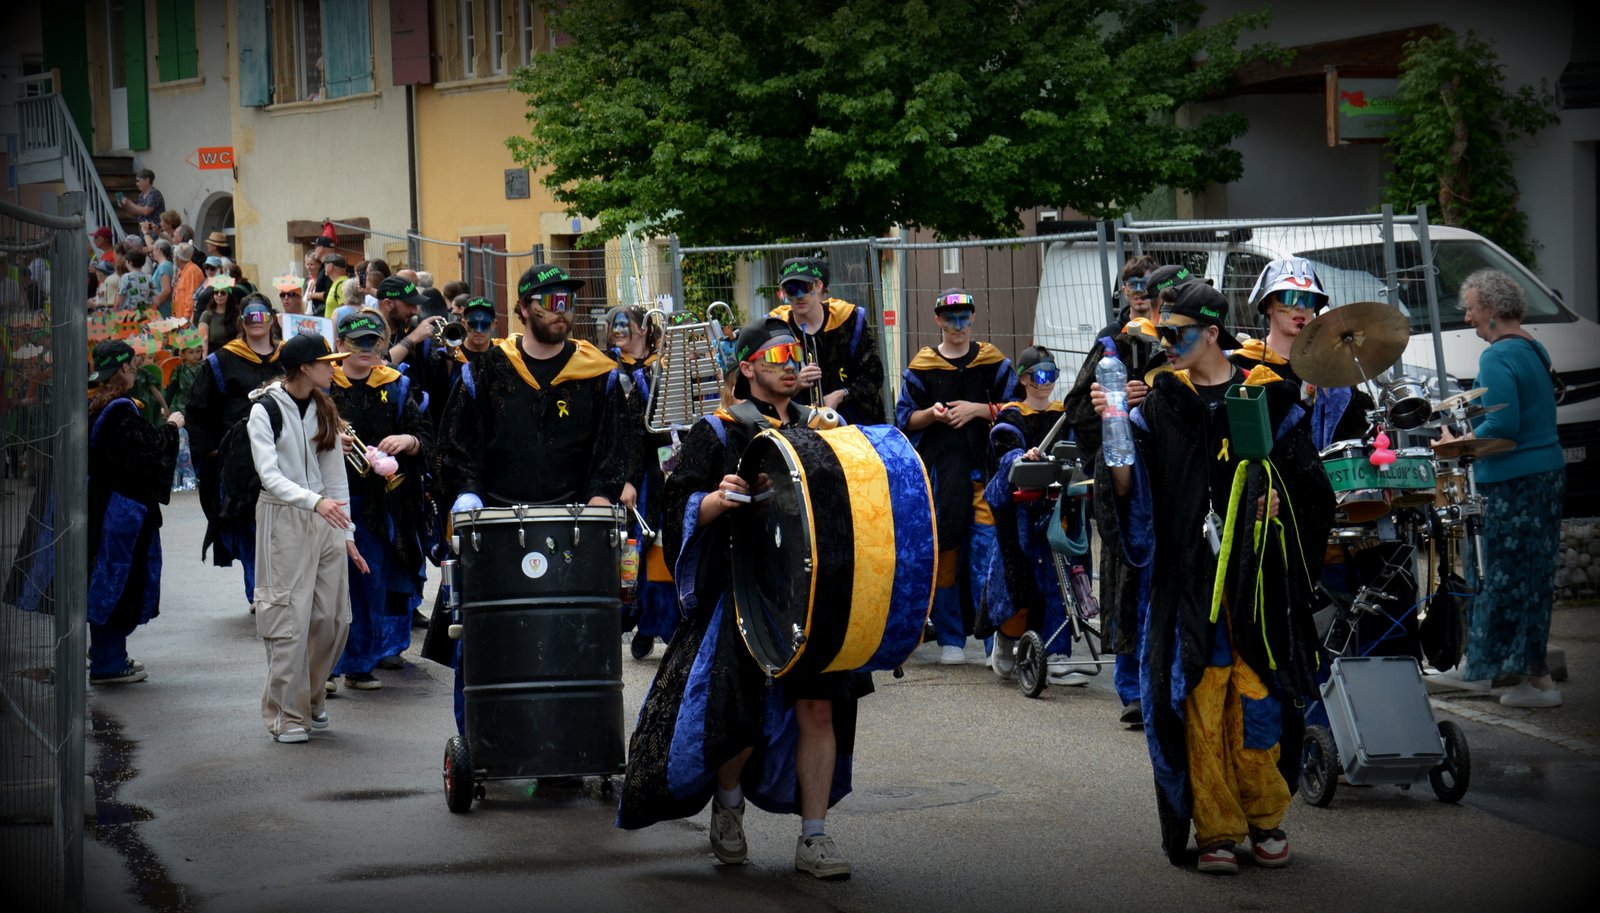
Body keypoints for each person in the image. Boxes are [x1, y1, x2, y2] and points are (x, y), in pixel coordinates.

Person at [1093, 281, 1333, 874]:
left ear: (1212, 334)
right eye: (1162, 335)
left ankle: (1266, 817)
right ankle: (1217, 829)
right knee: (1199, 704)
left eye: (1177, 335)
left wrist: (1278, 500)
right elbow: (1130, 497)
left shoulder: (1268, 397)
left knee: (1260, 701)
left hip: (1256, 583)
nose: (1166, 345)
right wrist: (1113, 431)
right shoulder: (1158, 406)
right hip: (1188, 585)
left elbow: (1309, 487)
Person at [618, 318, 867, 880]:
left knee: (819, 709)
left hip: (812, 595)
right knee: (739, 715)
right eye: (776, 355)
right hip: (742, 594)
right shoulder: (717, 431)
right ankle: (728, 805)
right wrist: (715, 499)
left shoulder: (822, 429)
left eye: (794, 353)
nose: (789, 363)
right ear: (748, 366)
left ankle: (814, 837)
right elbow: (676, 509)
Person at [435, 263, 631, 733]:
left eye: (568, 300)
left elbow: (616, 448)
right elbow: (456, 444)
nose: (561, 309)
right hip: (497, 523)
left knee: (570, 635)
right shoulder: (484, 371)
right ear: (523, 309)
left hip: (572, 523)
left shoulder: (599, 375)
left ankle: (568, 738)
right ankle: (483, 739)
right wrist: (467, 495)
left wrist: (601, 497)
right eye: (549, 300)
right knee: (487, 635)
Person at [1433, 269, 1567, 707]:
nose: (1467, 317)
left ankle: (1504, 674)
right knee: (1531, 576)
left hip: (1511, 484)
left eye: (1471, 308)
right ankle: (1515, 672)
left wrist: (1455, 445)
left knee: (1496, 575)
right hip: (1544, 476)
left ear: (1490, 309)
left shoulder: (1496, 356)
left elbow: (1503, 427)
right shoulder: (1532, 346)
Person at [248, 332, 364, 743]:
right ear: (304, 367)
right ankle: (286, 714)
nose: (334, 368)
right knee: (288, 619)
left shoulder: (323, 407)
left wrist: (347, 533)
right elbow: (269, 475)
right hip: (284, 517)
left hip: (326, 516)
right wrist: (314, 502)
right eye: (326, 363)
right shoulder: (264, 410)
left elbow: (335, 475)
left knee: (332, 619)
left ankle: (312, 698)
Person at [894, 289, 1015, 664]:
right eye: (950, 318)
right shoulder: (923, 365)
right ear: (938, 321)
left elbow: (1016, 407)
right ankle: (950, 637)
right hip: (943, 471)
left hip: (985, 472)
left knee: (986, 553)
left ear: (973, 317)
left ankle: (991, 639)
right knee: (946, 551)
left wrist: (978, 410)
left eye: (964, 317)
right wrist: (933, 414)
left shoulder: (993, 361)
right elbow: (905, 418)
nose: (957, 325)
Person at [327, 311, 432, 690]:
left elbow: (425, 436)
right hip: (329, 501)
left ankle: (359, 663)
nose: (368, 349)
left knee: (370, 583)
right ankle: (324, 668)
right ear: (340, 345)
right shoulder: (324, 384)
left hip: (381, 504)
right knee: (328, 587)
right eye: (358, 343)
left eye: (374, 341)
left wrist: (409, 441)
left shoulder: (398, 386)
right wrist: (327, 443)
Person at [980, 345, 1092, 685]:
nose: (1046, 383)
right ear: (1024, 379)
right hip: (1021, 517)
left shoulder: (1065, 415)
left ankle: (1057, 655)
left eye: (1052, 375)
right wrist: (1020, 457)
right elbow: (1003, 456)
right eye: (1039, 375)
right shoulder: (1010, 417)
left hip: (1059, 511)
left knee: (1060, 580)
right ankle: (1006, 640)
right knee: (1016, 583)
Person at [87, 340, 183, 685]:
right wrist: (172, 427)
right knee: (119, 584)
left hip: (100, 505)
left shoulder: (92, 403)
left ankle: (108, 653)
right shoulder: (119, 411)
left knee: (105, 581)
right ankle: (108, 662)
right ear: (125, 368)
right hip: (121, 513)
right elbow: (148, 454)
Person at [187, 298, 284, 607]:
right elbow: (198, 408)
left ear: (272, 319)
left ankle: (280, 588)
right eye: (249, 316)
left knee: (283, 526)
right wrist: (211, 449)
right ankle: (258, 592)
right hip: (240, 460)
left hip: (285, 453)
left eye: (262, 315)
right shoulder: (222, 361)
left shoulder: (288, 357)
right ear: (241, 320)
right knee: (248, 525)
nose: (256, 321)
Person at [1235, 257, 1371, 448]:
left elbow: (1357, 430)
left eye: (1308, 299)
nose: (1300, 307)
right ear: (1268, 306)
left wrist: (1332, 392)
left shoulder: (1326, 364)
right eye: (1288, 297)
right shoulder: (1244, 361)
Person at [604, 304, 678, 658]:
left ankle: (656, 624)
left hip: (657, 472)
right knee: (629, 551)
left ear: (645, 329)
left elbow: (665, 429)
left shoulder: (662, 368)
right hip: (618, 472)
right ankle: (634, 619)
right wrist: (624, 479)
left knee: (658, 547)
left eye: (626, 324)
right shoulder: (606, 368)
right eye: (614, 324)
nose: (619, 330)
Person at [767, 256, 886, 425]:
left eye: (805, 287)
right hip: (800, 427)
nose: (799, 296)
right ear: (783, 292)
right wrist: (796, 383)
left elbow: (874, 375)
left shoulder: (849, 321)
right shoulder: (776, 329)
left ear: (818, 285)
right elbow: (765, 386)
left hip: (854, 424)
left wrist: (841, 394)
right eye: (791, 289)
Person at [164, 330, 206, 491]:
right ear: (182, 354)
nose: (195, 355)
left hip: (200, 409)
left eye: (198, 351)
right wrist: (165, 406)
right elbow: (172, 388)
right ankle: (182, 474)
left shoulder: (203, 368)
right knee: (183, 441)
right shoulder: (179, 370)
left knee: (198, 440)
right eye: (191, 352)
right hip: (182, 408)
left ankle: (199, 472)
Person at [1093, 255, 1160, 343]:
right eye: (1132, 285)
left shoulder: (1168, 331)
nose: (1138, 290)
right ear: (1124, 291)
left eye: (1145, 284)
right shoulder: (1108, 336)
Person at [197, 275, 240, 354]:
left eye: (223, 293)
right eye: (216, 292)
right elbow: (203, 339)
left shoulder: (236, 314)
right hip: (213, 354)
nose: (219, 295)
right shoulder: (207, 314)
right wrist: (204, 358)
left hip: (232, 353)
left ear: (228, 295)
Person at [171, 243, 204, 325]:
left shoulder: (192, 271)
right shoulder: (182, 270)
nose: (173, 258)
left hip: (186, 322)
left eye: (174, 256)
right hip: (179, 319)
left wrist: (186, 319)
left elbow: (191, 297)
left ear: (178, 259)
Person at [149, 240, 176, 319]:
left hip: (162, 311)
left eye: (153, 250)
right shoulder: (168, 265)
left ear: (159, 250)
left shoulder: (164, 266)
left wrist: (154, 305)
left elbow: (166, 290)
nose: (152, 253)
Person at [321, 255, 352, 319]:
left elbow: (346, 311)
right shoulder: (338, 283)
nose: (324, 268)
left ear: (330, 266)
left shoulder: (341, 284)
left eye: (325, 265)